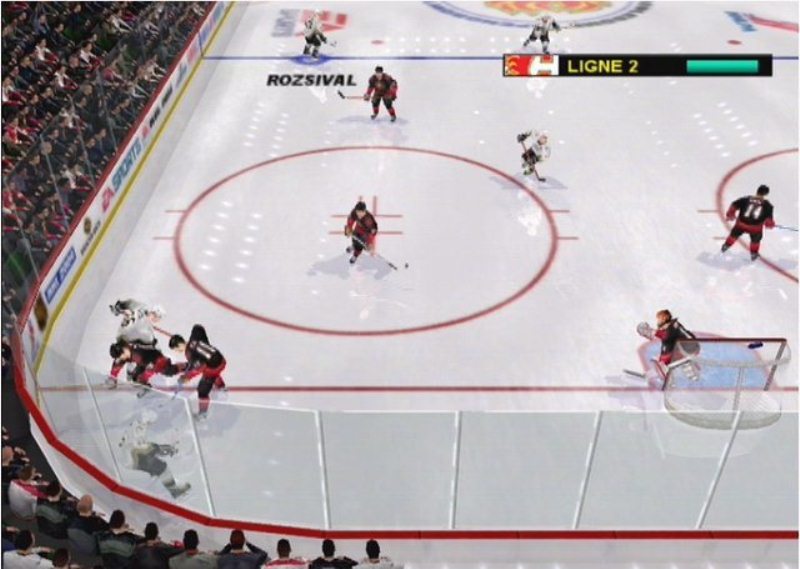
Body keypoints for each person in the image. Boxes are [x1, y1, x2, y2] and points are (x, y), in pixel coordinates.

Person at [118, 410, 191, 498]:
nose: (150, 424)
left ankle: (172, 487)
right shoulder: (138, 427)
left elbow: (142, 446)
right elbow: (139, 448)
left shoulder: (137, 426)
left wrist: (160, 449)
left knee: (159, 465)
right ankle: (172, 489)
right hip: (131, 460)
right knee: (160, 466)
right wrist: (159, 448)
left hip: (133, 457)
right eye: (150, 422)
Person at [169, 325, 227, 419]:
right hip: (220, 358)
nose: (177, 352)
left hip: (215, 367)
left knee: (202, 390)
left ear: (179, 345)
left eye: (176, 350)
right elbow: (198, 328)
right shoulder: (194, 339)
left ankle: (203, 414)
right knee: (209, 371)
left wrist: (187, 377)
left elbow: (199, 366)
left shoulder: (189, 353)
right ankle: (221, 387)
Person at [721, 184, 776, 261]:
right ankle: (753, 254)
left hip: (741, 224)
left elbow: (734, 205)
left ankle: (726, 246)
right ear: (766, 194)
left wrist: (730, 214)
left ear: (757, 191)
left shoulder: (746, 199)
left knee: (733, 235)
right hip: (755, 228)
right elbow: (769, 221)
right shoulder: (768, 205)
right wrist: (770, 224)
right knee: (755, 240)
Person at [108, 339, 178, 394]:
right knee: (135, 378)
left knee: (167, 371)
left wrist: (144, 380)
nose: (121, 358)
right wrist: (112, 378)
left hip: (157, 359)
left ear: (124, 350)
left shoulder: (137, 353)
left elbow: (150, 367)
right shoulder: (125, 353)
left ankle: (180, 369)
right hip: (144, 362)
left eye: (121, 356)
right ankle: (145, 386)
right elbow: (117, 365)